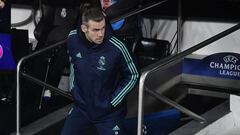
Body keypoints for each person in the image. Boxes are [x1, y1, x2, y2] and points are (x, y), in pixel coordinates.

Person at [61, 6, 139, 135]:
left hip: (109, 114)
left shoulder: (117, 47)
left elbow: (133, 75)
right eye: (95, 30)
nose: (101, 34)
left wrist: (112, 102)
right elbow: (72, 61)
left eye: (103, 28)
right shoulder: (73, 39)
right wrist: (74, 89)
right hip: (82, 108)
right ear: (84, 28)